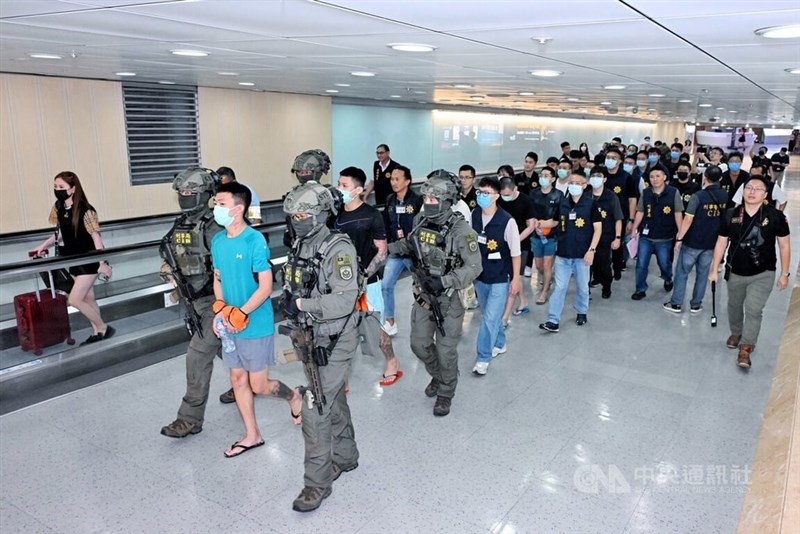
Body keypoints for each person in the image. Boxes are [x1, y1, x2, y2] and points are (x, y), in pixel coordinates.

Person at [281, 182, 361, 512]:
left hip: (335, 338)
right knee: (331, 399)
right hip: (310, 337)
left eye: (303, 214)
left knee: (314, 406)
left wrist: (301, 303)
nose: (296, 220)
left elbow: (344, 299)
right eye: (292, 215)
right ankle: (346, 455)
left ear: (320, 215)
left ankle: (316, 483)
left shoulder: (337, 248)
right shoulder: (302, 243)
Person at [210, 182, 302, 458]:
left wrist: (242, 312)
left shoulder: (254, 241)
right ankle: (253, 434)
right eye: (216, 202)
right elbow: (218, 278)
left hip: (254, 323)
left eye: (222, 203)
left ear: (239, 209)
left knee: (258, 385)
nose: (216, 208)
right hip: (229, 323)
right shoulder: (217, 241)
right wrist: (221, 309)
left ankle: (293, 396)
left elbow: (265, 286)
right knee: (238, 379)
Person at [387, 173, 482, 416]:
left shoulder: (463, 231)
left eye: (433, 198)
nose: (427, 201)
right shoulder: (420, 219)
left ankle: (446, 391)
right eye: (426, 197)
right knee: (418, 344)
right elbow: (410, 244)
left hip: (449, 299)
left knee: (445, 350)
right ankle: (440, 376)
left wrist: (444, 281)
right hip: (423, 296)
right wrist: (385, 249)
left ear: (447, 201)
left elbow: (474, 267)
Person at [158, 167, 233, 438]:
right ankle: (247, 382)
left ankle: (189, 418)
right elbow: (172, 251)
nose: (185, 197)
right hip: (193, 301)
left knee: (197, 355)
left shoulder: (216, 227)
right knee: (227, 350)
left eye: (191, 192)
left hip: (216, 302)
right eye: (182, 192)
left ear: (205, 194)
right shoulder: (183, 224)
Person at [709, 174, 791, 369]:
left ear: (765, 195)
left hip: (763, 273)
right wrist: (714, 270)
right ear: (743, 192)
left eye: (758, 189)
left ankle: (746, 347)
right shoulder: (730, 215)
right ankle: (736, 332)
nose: (752, 191)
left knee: (754, 310)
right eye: (749, 188)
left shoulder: (775, 216)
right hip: (735, 271)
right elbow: (721, 243)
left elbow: (785, 246)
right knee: (734, 306)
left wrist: (784, 274)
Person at [334, 166, 401, 385]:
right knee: (339, 333)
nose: (339, 189)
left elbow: (382, 252)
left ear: (358, 190)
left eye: (344, 186)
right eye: (338, 184)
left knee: (374, 330)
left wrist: (363, 276)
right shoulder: (334, 215)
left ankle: (391, 361)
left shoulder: (372, 215)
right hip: (338, 287)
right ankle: (340, 378)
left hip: (366, 285)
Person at [31, 171, 114, 345]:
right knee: (88, 298)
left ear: (73, 189)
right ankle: (97, 332)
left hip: (89, 259)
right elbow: (60, 233)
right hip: (73, 260)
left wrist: (102, 262)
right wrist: (43, 246)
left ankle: (103, 327)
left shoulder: (86, 210)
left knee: (74, 300)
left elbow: (96, 237)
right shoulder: (58, 207)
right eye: (55, 186)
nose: (57, 190)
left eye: (62, 187)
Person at [470, 176, 521, 375]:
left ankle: (483, 357)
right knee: (488, 315)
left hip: (500, 276)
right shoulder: (474, 215)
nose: (482, 196)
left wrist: (516, 279)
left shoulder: (507, 222)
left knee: (490, 318)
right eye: (480, 192)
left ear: (497, 196)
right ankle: (500, 342)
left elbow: (516, 254)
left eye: (487, 193)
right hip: (480, 276)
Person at [538, 171, 601, 332]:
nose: (573, 185)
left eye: (577, 183)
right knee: (560, 287)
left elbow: (597, 229)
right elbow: (555, 221)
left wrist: (592, 250)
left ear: (584, 185)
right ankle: (553, 320)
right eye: (571, 182)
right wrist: (541, 224)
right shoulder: (563, 203)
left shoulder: (590, 204)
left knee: (582, 287)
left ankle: (581, 311)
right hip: (563, 253)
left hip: (582, 254)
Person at [664, 166, 726, 314]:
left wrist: (679, 238)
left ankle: (676, 303)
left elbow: (688, 220)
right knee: (703, 275)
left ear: (705, 177)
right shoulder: (725, 195)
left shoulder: (698, 196)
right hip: (711, 243)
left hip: (692, 242)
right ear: (721, 179)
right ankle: (696, 305)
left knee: (682, 273)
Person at [382, 165, 423, 336]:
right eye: (392, 179)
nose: (394, 182)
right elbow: (386, 223)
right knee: (386, 285)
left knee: (422, 286)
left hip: (413, 252)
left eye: (397, 179)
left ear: (407, 181)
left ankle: (426, 322)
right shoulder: (390, 200)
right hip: (396, 251)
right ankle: (390, 320)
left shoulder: (417, 200)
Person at [630, 168, 683, 300]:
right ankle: (640, 289)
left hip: (665, 237)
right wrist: (634, 229)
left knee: (664, 263)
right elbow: (640, 211)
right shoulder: (646, 193)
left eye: (658, 176)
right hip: (646, 236)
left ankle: (668, 278)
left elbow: (678, 214)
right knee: (641, 264)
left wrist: (680, 235)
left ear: (664, 177)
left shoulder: (673, 192)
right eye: (652, 177)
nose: (655, 179)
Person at [497, 177, 536, 324]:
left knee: (513, 278)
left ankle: (505, 318)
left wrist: (515, 241)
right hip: (502, 245)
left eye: (508, 194)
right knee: (513, 278)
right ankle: (524, 302)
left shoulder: (526, 201)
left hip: (520, 245)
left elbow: (531, 225)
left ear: (515, 190)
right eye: (503, 195)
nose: (505, 198)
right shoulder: (499, 200)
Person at [587, 166, 623, 299]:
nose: (595, 179)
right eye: (593, 176)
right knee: (587, 265)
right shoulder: (586, 196)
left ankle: (607, 286)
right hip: (587, 237)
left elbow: (618, 219)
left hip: (605, 237)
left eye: (599, 176)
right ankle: (586, 290)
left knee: (604, 264)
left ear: (605, 179)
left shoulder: (611, 197)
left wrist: (617, 237)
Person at [529, 166, 561, 304]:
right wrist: (536, 226)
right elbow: (529, 213)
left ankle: (544, 292)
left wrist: (547, 225)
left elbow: (559, 218)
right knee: (539, 265)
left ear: (553, 179)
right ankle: (547, 278)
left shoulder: (558, 195)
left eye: (547, 175)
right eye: (541, 175)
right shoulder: (533, 193)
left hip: (551, 235)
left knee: (548, 264)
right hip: (536, 234)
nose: (543, 178)